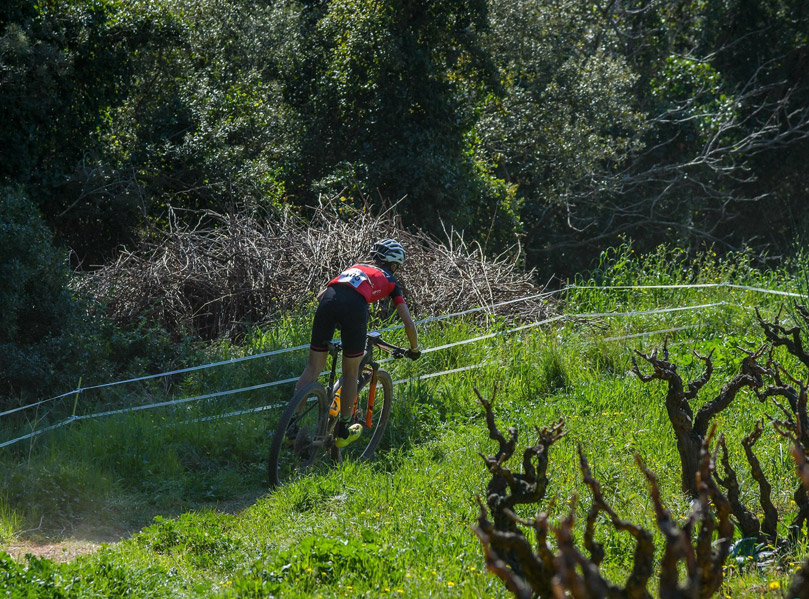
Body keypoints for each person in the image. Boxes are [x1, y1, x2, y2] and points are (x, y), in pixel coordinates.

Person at [294, 238, 421, 448]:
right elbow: (407, 322)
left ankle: (291, 427)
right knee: (351, 372)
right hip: (354, 307)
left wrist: (337, 320)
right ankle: (343, 429)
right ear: (394, 265)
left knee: (312, 367)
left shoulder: (355, 267)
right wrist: (414, 349)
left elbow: (320, 296)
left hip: (328, 301)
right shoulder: (390, 279)